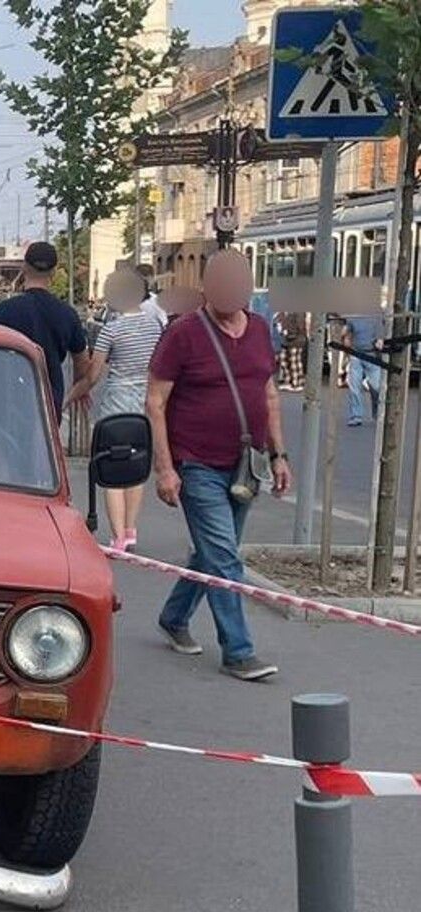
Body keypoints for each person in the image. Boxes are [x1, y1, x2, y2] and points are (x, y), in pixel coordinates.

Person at [147, 250, 292, 682]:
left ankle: (174, 617)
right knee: (225, 559)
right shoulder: (183, 334)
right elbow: (155, 402)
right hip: (197, 465)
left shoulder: (260, 330)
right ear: (206, 288)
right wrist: (165, 468)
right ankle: (238, 651)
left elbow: (269, 395)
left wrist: (279, 455)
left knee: (211, 554)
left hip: (245, 465)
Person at [65, 268, 162, 550]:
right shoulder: (155, 327)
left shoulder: (111, 330)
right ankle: (131, 529)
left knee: (114, 468)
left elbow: (93, 375)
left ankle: (118, 536)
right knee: (135, 465)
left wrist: (72, 396)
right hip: (143, 404)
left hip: (116, 405)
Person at [0, 241, 91, 415]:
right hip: (49, 401)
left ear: (24, 267)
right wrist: (77, 388)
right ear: (53, 272)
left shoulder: (4, 311)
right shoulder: (67, 314)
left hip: (8, 399)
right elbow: (82, 362)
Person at [342, 311, 385, 427]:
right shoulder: (353, 315)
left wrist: (380, 340)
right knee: (354, 386)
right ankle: (356, 416)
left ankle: (377, 412)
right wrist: (346, 338)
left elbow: (381, 333)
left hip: (371, 355)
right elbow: (348, 331)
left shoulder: (376, 314)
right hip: (356, 354)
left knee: (376, 387)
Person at [275, 311, 308, 392]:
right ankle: (288, 381)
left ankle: (296, 383)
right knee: (283, 359)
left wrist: (290, 332)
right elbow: (278, 321)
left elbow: (300, 326)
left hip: (297, 340)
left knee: (294, 361)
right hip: (286, 340)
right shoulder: (282, 312)